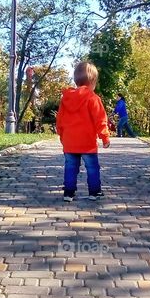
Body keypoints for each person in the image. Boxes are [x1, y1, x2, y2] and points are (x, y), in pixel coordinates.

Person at [55, 61, 110, 201]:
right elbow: (100, 119)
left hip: (70, 141)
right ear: (93, 82)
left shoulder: (66, 99)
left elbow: (60, 119)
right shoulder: (93, 98)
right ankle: (94, 191)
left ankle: (68, 192)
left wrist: (62, 136)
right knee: (92, 168)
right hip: (87, 142)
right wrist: (105, 137)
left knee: (70, 167)